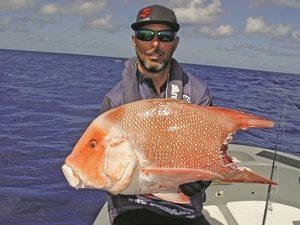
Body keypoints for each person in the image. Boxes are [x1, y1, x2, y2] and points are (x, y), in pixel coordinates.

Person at [99, 4, 213, 225]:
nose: (155, 44)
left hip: (185, 208)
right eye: (145, 35)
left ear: (175, 43)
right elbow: (106, 165)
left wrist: (202, 177)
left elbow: (209, 150)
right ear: (134, 41)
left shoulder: (198, 93)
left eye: (165, 36)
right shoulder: (114, 102)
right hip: (132, 205)